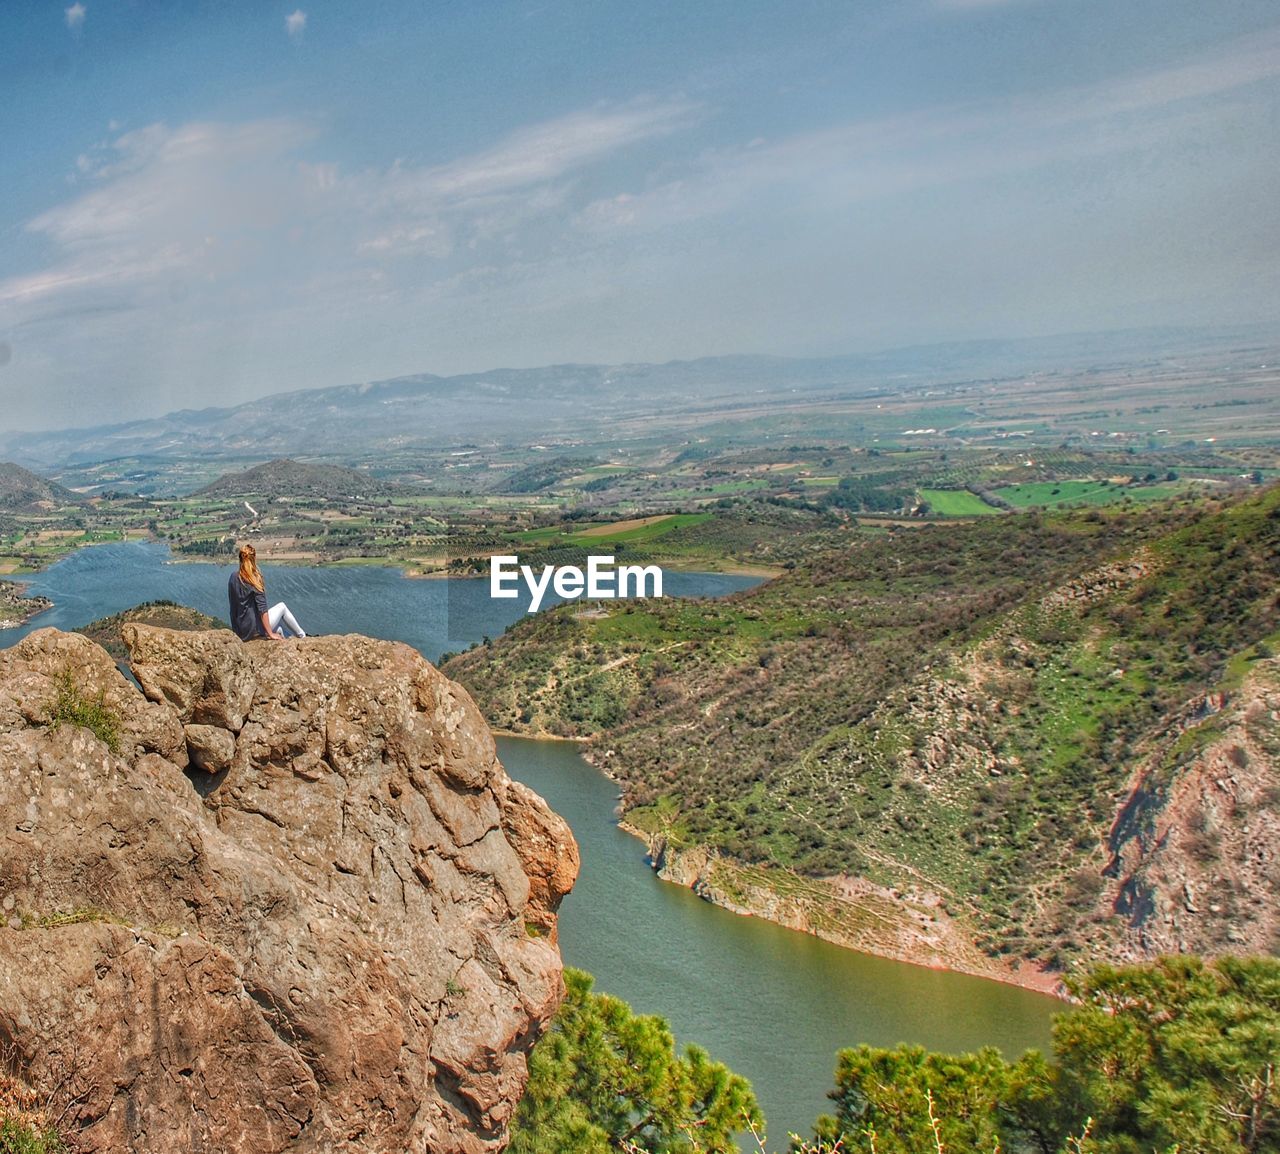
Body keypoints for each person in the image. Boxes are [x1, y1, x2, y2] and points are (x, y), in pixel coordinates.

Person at [228, 543, 307, 641]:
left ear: (240, 559)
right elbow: (263, 610)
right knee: (282, 607)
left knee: (279, 629)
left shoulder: (233, 577)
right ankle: (302, 636)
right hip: (253, 630)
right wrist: (270, 634)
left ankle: (285, 642)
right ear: (254, 559)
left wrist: (236, 631)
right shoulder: (254, 580)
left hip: (240, 630)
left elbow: (233, 606)